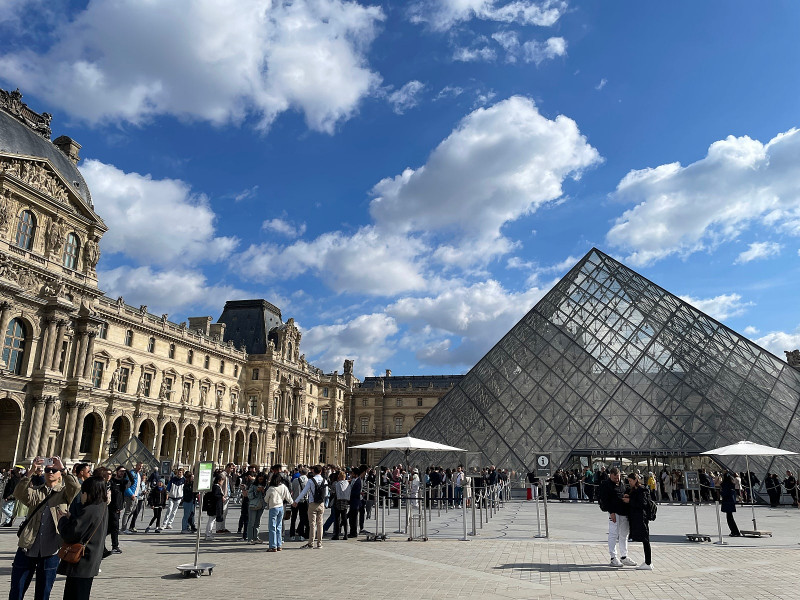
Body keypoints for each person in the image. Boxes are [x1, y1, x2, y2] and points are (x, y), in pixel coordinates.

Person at [10, 456, 80, 600]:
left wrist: (64, 469)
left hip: (51, 549)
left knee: (43, 593)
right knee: (17, 590)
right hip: (28, 546)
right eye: (48, 470)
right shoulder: (37, 491)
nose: (50, 472)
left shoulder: (64, 493)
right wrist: (31, 471)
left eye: (54, 470)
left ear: (59, 474)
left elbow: (76, 488)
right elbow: (19, 493)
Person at [55, 477, 109, 600]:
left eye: (83, 493)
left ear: (88, 493)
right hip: (91, 559)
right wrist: (71, 517)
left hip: (81, 560)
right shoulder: (102, 506)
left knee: (74, 594)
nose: (82, 496)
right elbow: (87, 526)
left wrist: (61, 520)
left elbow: (71, 534)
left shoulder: (90, 510)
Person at [598, 466, 636, 568]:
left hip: (624, 512)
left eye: (618, 477)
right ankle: (613, 557)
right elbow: (604, 500)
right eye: (615, 478)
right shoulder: (606, 485)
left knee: (624, 534)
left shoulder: (622, 484)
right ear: (610, 475)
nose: (617, 479)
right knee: (613, 534)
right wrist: (611, 512)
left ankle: (624, 556)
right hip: (614, 512)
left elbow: (624, 491)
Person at [622, 473, 652, 570]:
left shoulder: (642, 490)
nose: (629, 482)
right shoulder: (634, 490)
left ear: (635, 480)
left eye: (630, 481)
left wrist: (629, 501)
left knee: (645, 539)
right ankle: (647, 561)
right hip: (637, 517)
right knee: (644, 539)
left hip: (641, 517)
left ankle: (648, 562)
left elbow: (642, 503)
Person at [292, 464, 326, 549]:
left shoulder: (311, 481)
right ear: (321, 471)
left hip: (312, 503)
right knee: (320, 524)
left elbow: (304, 492)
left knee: (312, 524)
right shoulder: (324, 480)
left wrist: (296, 501)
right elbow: (326, 493)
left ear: (313, 471)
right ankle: (319, 543)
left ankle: (311, 542)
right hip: (321, 503)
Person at [265, 472, 292, 551]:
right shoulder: (283, 486)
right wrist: (293, 503)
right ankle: (279, 545)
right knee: (279, 526)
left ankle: (273, 546)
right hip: (281, 507)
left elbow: (266, 499)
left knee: (272, 527)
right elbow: (288, 497)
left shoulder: (271, 488)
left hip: (273, 507)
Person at [120, 462, 143, 533]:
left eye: (141, 466)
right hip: (131, 495)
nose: (140, 467)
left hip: (136, 495)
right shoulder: (131, 473)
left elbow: (137, 486)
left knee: (131, 512)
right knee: (127, 512)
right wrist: (131, 494)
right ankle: (123, 529)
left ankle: (125, 527)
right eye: (139, 466)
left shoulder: (138, 474)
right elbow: (127, 485)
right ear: (136, 465)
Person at [246, 472, 268, 544]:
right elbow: (249, 496)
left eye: (262, 479)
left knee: (257, 522)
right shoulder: (253, 485)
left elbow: (267, 496)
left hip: (261, 505)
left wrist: (264, 491)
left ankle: (256, 537)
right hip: (253, 505)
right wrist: (257, 491)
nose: (260, 480)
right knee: (251, 522)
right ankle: (250, 538)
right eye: (259, 478)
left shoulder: (266, 486)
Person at [719, 472, 741, 537]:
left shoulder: (725, 484)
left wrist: (721, 492)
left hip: (727, 501)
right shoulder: (731, 484)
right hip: (731, 501)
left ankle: (735, 531)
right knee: (730, 517)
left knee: (729, 518)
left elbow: (724, 493)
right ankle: (734, 531)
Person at [332, 470, 350, 540]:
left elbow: (335, 492)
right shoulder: (347, 484)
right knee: (344, 518)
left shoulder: (337, 484)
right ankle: (345, 534)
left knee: (337, 518)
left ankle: (337, 534)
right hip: (345, 501)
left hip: (338, 501)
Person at [348, 467, 364, 538]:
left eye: (352, 473)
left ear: (356, 474)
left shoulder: (358, 481)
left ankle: (353, 532)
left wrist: (350, 494)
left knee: (353, 518)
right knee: (351, 518)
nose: (351, 474)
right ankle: (352, 531)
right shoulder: (355, 480)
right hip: (353, 501)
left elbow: (356, 492)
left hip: (355, 501)